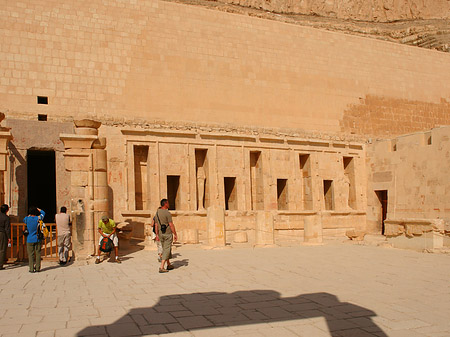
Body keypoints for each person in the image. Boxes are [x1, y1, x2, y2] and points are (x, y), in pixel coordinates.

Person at [155, 199, 177, 273]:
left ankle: (169, 264)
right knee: (167, 249)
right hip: (167, 233)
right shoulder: (167, 213)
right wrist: (175, 233)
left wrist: (157, 234)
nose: (169, 204)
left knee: (166, 248)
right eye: (168, 203)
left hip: (161, 233)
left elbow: (156, 224)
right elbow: (171, 224)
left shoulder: (157, 212)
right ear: (165, 204)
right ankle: (161, 267)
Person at [23, 207, 45, 273]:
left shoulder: (27, 219)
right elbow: (43, 213)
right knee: (38, 253)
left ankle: (31, 268)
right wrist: (39, 209)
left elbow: (24, 219)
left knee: (31, 254)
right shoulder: (38, 218)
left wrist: (29, 215)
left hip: (29, 239)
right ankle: (38, 268)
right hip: (37, 238)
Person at [0, 204, 11, 270]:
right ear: (7, 210)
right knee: (2, 250)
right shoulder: (6, 218)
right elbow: (7, 229)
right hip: (2, 233)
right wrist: (9, 237)